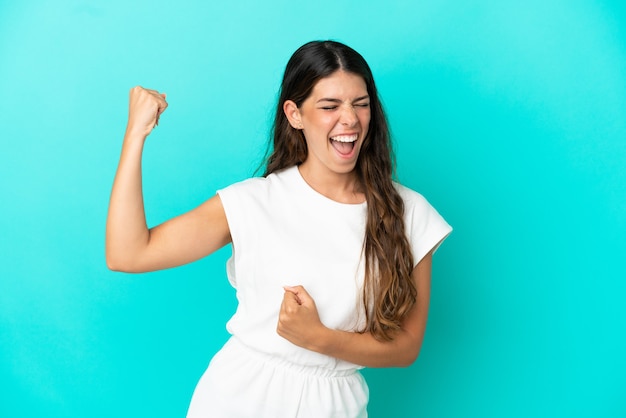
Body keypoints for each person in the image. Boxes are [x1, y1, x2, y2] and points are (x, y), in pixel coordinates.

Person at [106, 40, 452, 417]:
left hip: (337, 405)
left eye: (361, 103)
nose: (350, 119)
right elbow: (128, 253)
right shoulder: (253, 202)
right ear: (295, 113)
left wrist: (319, 339)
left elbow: (406, 347)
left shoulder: (410, 213)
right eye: (330, 106)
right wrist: (135, 135)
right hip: (239, 398)